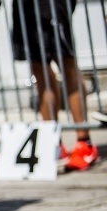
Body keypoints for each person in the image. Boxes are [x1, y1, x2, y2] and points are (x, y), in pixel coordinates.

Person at [11, 0, 99, 171]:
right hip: (24, 5)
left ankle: (84, 142)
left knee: (65, 60)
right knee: (38, 66)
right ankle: (53, 142)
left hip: (52, 4)